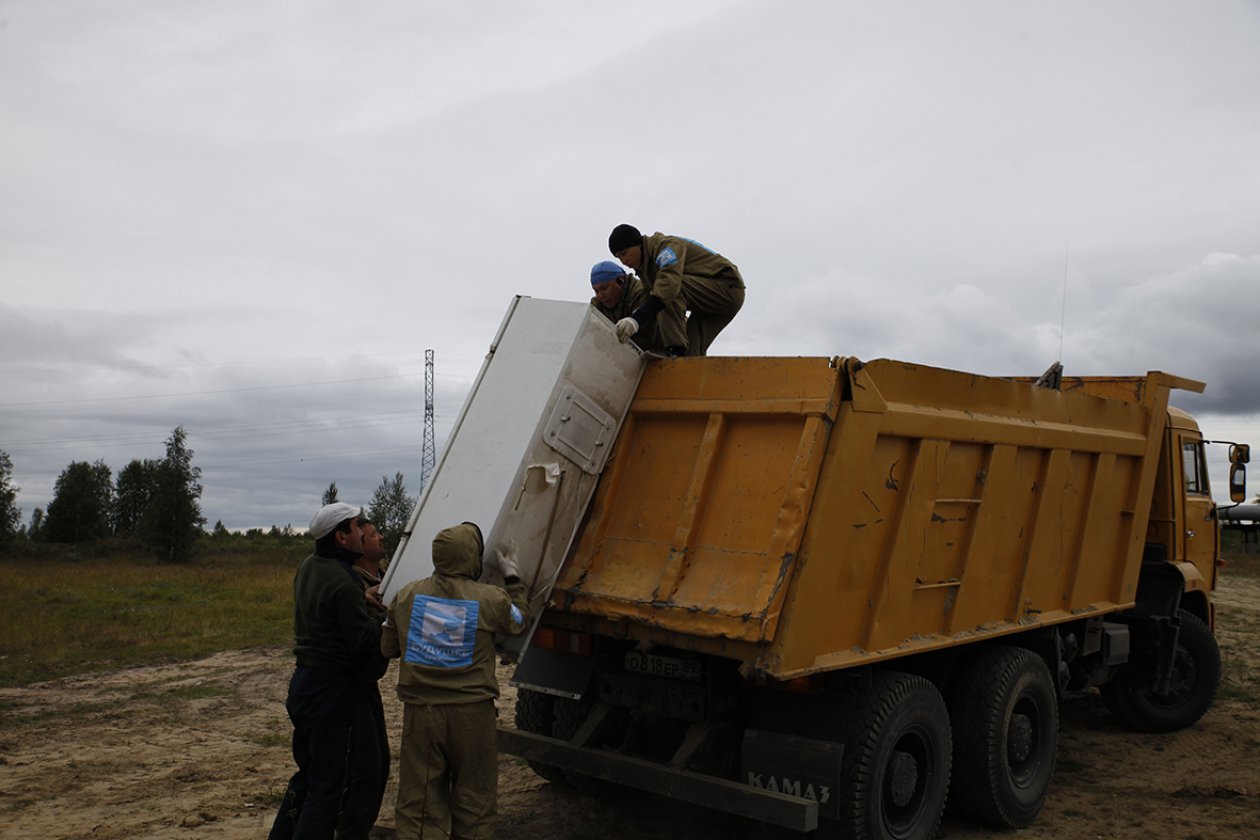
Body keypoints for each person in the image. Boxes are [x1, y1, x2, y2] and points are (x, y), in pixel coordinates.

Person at [381, 522, 529, 840]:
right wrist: (513, 576)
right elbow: (519, 622)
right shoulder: (491, 599)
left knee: (418, 806)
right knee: (474, 799)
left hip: (421, 715)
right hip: (471, 715)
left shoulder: (406, 595)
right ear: (472, 558)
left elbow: (387, 648)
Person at [270, 503, 382, 840]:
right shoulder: (343, 580)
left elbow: (331, 608)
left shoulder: (311, 565)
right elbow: (362, 640)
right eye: (356, 527)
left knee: (307, 775)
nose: (363, 531)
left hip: (304, 684)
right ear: (341, 537)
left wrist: (362, 600)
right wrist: (387, 620)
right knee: (327, 786)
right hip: (331, 691)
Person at [607, 223, 746, 356]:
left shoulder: (666, 248)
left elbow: (669, 286)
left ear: (637, 244)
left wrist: (636, 319)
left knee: (669, 289)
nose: (624, 261)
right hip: (710, 302)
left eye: (625, 253)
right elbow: (648, 303)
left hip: (727, 287)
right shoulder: (645, 271)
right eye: (619, 258)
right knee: (691, 352)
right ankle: (683, 361)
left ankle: (674, 350)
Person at [335, 519, 391, 840]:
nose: (380, 537)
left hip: (367, 684)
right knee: (365, 767)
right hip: (350, 686)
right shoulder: (353, 585)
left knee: (379, 761)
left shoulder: (380, 579)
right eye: (372, 535)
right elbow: (359, 640)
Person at [588, 260, 662, 353]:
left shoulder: (641, 293)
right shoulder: (597, 305)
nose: (600, 295)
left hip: (664, 348)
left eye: (604, 288)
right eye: (596, 291)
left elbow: (648, 332)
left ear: (620, 281)